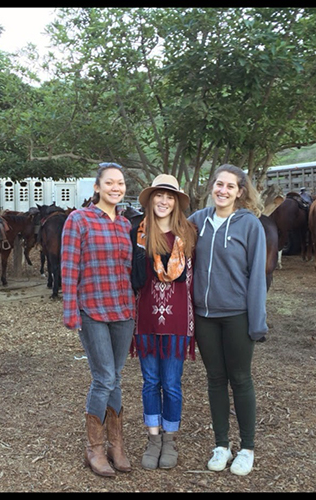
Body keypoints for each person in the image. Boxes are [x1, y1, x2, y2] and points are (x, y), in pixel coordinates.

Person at [188, 164, 268, 476]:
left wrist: (256, 321)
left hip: (237, 315)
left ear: (240, 192)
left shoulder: (250, 226)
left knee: (240, 378)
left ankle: (246, 447)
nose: (222, 190)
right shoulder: (197, 221)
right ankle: (221, 444)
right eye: (218, 184)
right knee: (215, 379)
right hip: (205, 316)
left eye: (230, 186)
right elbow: (171, 240)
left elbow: (257, 279)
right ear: (212, 187)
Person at [61, 162, 135, 477]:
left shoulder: (125, 225)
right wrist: (70, 309)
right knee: (104, 376)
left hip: (122, 309)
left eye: (120, 183)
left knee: (116, 377)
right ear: (97, 187)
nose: (115, 188)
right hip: (92, 308)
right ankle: (94, 447)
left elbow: (128, 269)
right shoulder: (78, 220)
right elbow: (69, 266)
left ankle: (115, 444)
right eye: (109, 183)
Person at [130, 174, 198, 470]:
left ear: (177, 202)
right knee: (150, 383)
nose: (164, 201)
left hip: (178, 322)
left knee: (171, 384)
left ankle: (169, 438)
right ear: (151, 199)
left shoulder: (190, 234)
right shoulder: (140, 235)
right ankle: (153, 437)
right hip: (146, 320)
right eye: (159, 195)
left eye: (170, 197)